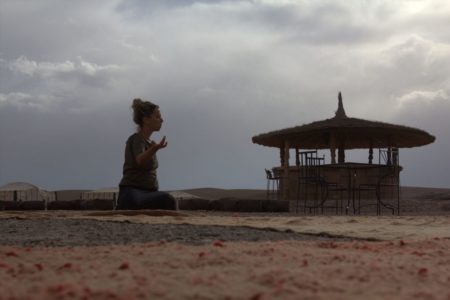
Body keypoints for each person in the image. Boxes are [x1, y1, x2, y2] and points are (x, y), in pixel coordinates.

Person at [117, 98, 177, 210]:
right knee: (168, 200)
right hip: (132, 192)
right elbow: (140, 160)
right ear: (146, 120)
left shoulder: (150, 144)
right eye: (157, 117)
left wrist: (154, 148)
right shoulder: (137, 139)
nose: (162, 120)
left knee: (169, 200)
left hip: (149, 193)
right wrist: (154, 149)